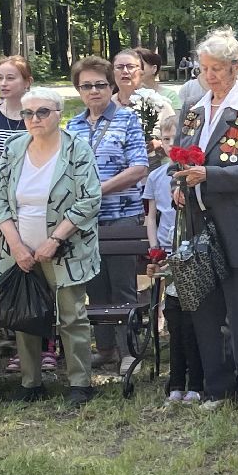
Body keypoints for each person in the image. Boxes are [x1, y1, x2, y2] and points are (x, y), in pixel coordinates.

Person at [173, 29, 238, 413]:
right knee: (206, 309)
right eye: (204, 68)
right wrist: (179, 183)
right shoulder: (193, 110)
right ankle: (217, 388)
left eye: (217, 68)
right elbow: (180, 161)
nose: (210, 75)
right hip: (199, 224)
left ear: (235, 68)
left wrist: (208, 176)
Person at [0, 87, 102, 406]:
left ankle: (80, 384)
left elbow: (90, 199)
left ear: (58, 114)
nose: (34, 119)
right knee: (24, 315)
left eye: (42, 112)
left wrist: (55, 239)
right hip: (19, 251)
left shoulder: (76, 149)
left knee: (72, 316)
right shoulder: (14, 148)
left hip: (66, 250)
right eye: (28, 113)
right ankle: (31, 383)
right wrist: (16, 244)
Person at [67, 55, 149, 374]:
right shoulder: (72, 126)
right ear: (78, 90)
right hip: (85, 223)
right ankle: (105, 348)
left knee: (122, 285)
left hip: (122, 216)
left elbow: (139, 168)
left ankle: (129, 351)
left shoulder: (127, 120)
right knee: (94, 286)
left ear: (110, 85)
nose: (94, 91)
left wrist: (97, 191)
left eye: (100, 84)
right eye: (86, 86)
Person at [144, 115, 202, 404]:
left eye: (175, 139)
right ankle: (176, 378)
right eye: (165, 140)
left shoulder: (192, 172)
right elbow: (152, 216)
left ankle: (197, 380)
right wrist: (155, 248)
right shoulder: (157, 176)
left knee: (193, 318)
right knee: (174, 317)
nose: (170, 145)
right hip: (168, 251)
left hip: (191, 251)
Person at [113, 48, 175, 137]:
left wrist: (159, 144)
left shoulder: (159, 105)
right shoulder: (105, 105)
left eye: (131, 67)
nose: (125, 71)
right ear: (113, 72)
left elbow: (175, 142)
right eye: (119, 67)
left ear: (142, 72)